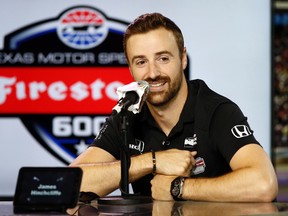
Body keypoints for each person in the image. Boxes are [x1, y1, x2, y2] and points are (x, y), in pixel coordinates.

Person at [70, 12, 278, 202]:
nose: (153, 73)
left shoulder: (216, 110)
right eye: (141, 62)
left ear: (183, 58)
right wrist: (151, 162)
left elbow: (263, 184)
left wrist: (178, 187)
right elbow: (69, 184)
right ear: (130, 67)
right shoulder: (128, 113)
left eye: (163, 58)